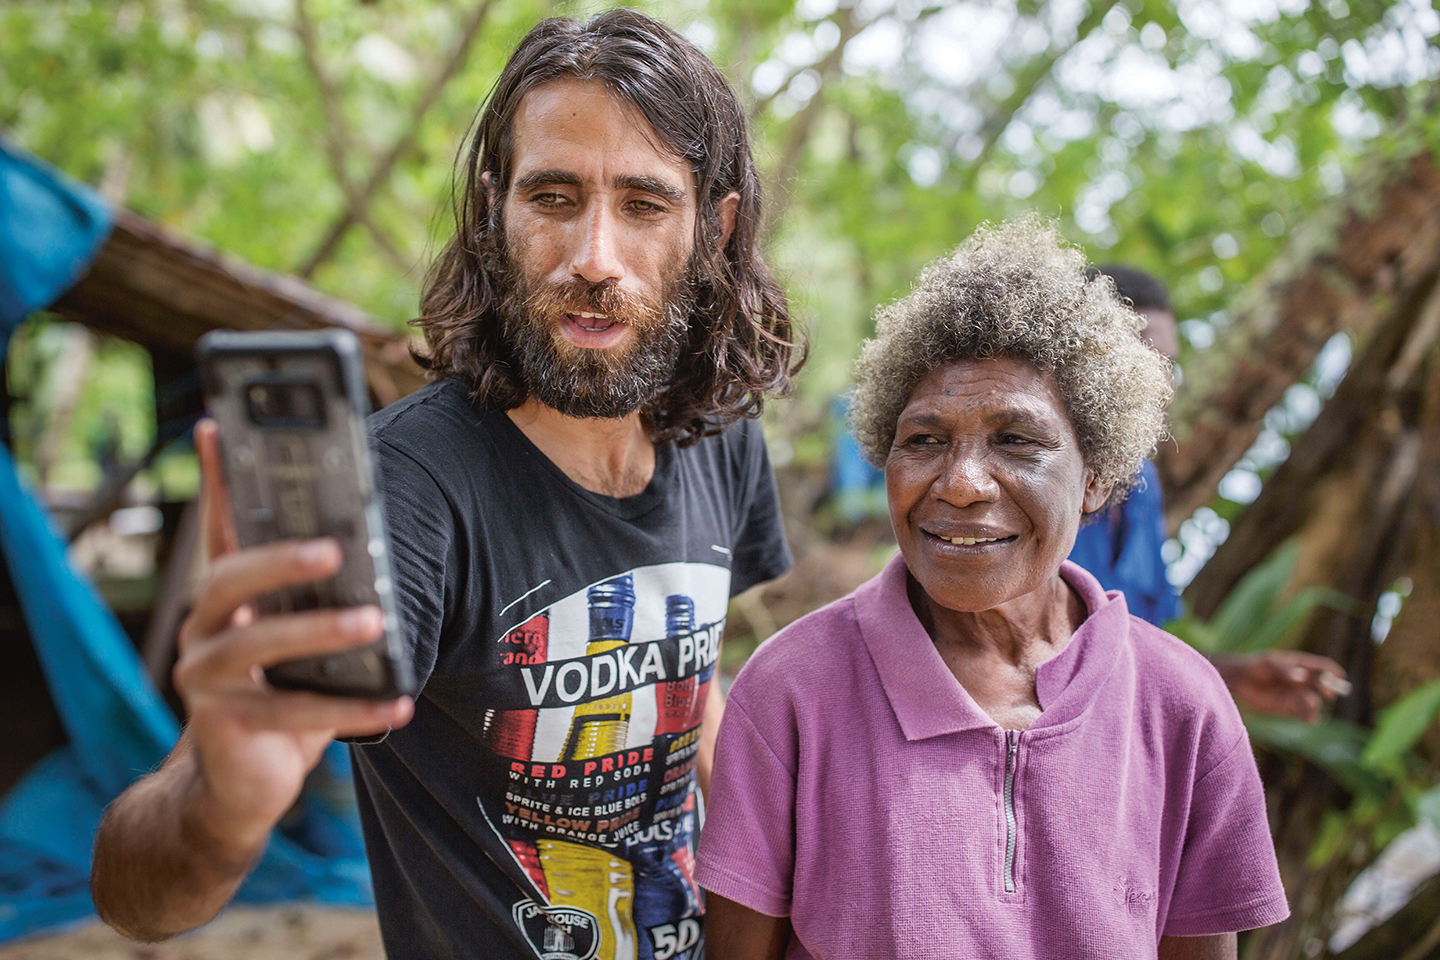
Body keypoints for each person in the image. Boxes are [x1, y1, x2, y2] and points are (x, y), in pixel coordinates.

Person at [90, 11, 801, 960]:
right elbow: (140, 904)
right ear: (494, 208)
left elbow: (694, 689)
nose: (595, 257)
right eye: (553, 197)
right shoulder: (405, 493)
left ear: (710, 227)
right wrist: (218, 807)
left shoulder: (723, 436)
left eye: (643, 204)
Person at [695, 219, 1289, 960]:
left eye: (1017, 440)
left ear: (1098, 476)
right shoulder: (792, 690)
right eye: (925, 440)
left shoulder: (1182, 707)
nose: (964, 483)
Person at [1071, 264, 1348, 723]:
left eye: (1170, 364)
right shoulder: (1020, 483)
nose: (1161, 384)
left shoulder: (1143, 488)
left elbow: (1142, 641)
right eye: (1138, 357)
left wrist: (1232, 676)